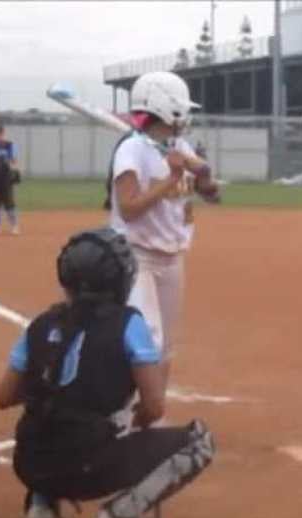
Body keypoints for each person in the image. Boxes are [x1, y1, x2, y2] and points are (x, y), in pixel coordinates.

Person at [0, 227, 215, 518]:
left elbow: (3, 397)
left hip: (28, 463)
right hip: (87, 469)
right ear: (120, 280)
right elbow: (153, 406)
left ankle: (41, 507)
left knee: (48, 415)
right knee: (200, 441)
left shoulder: (41, 324)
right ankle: (117, 517)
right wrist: (130, 422)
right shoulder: (128, 323)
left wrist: (48, 383)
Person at [109, 71, 220, 390]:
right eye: (183, 108)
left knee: (166, 347)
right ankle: (123, 415)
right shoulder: (131, 150)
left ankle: (151, 418)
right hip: (136, 257)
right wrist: (172, 178)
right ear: (167, 106)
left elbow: (213, 197)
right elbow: (128, 209)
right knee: (148, 343)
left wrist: (204, 177)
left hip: (173, 258)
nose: (187, 116)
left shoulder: (178, 146)